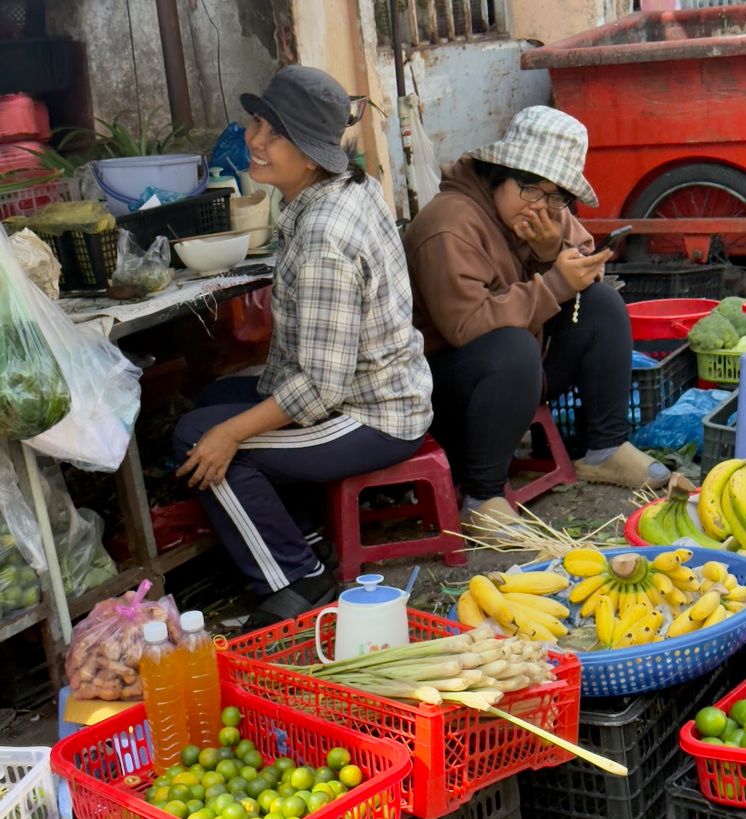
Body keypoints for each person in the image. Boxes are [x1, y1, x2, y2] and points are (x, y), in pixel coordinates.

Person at [174, 65, 432, 625]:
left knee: (203, 438)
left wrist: (229, 434)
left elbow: (318, 389)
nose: (258, 141)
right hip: (363, 387)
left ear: (312, 156)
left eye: (278, 135)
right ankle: (304, 536)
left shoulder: (323, 240)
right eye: (259, 123)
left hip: (373, 413)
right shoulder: (336, 191)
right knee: (212, 398)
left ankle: (297, 575)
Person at [403, 105, 669, 536]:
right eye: (532, 191)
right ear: (500, 173)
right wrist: (552, 284)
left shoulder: (544, 211)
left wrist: (552, 251)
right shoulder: (449, 224)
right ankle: (481, 496)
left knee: (601, 303)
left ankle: (605, 446)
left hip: (520, 372)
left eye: (557, 198)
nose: (543, 208)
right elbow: (465, 325)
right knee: (512, 346)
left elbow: (588, 264)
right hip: (450, 390)